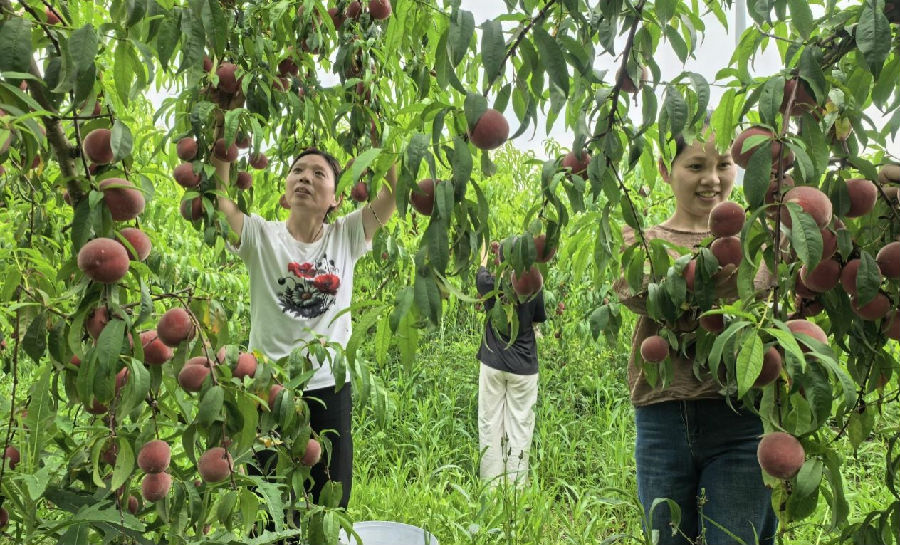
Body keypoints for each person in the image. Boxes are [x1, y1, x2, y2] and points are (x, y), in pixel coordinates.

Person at [211, 141, 396, 512]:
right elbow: (221, 200)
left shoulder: (346, 235)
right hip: (268, 386)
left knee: (330, 497)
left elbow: (393, 194)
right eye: (297, 171)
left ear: (336, 198)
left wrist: (378, 144)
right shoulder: (260, 236)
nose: (305, 178)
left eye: (318, 173)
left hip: (329, 386)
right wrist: (223, 133)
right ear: (285, 192)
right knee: (269, 501)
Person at [613, 133, 778, 544]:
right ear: (665, 170)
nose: (713, 179)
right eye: (696, 166)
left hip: (740, 417)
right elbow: (637, 292)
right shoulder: (642, 242)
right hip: (663, 419)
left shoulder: (759, 240)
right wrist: (708, 282)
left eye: (723, 165)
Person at [475, 241, 546, 486]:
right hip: (524, 368)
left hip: (493, 363)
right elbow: (538, 318)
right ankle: (516, 490)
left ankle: (491, 488)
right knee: (520, 428)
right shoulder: (534, 283)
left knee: (490, 424)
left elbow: (480, 270)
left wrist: (487, 254)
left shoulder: (490, 283)